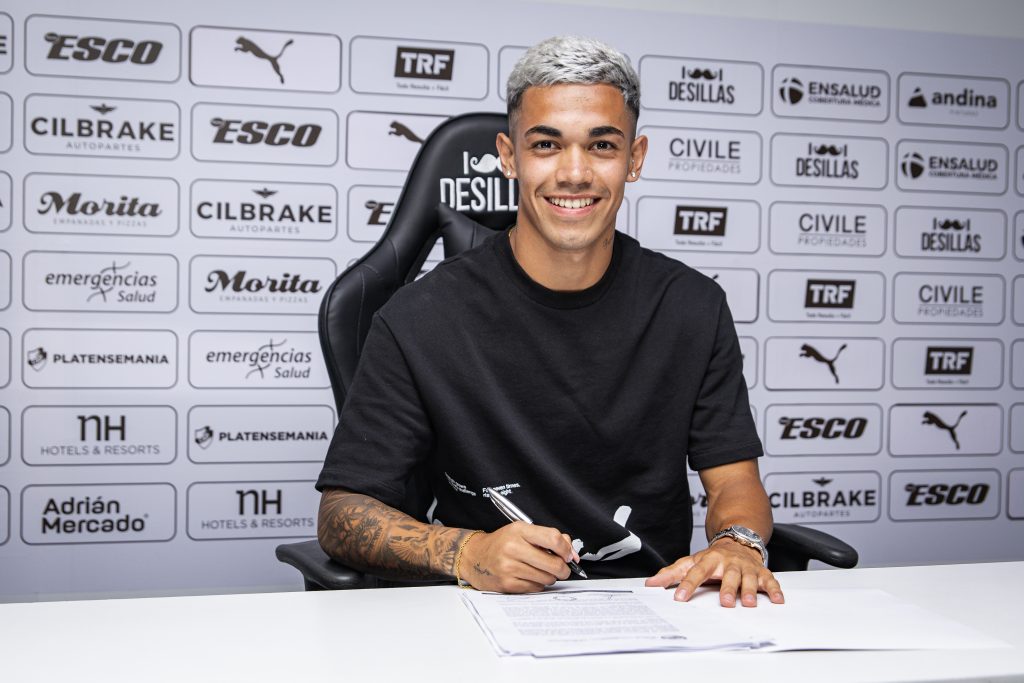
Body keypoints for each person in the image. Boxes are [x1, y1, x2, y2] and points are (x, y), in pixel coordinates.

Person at [316, 35, 784, 608]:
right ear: (509, 156)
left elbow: (734, 480)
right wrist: (466, 552)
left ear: (635, 159)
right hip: (483, 612)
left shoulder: (692, 306)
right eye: (546, 145)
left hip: (654, 608)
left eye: (602, 145)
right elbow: (342, 513)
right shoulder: (418, 316)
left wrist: (738, 546)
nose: (574, 172)